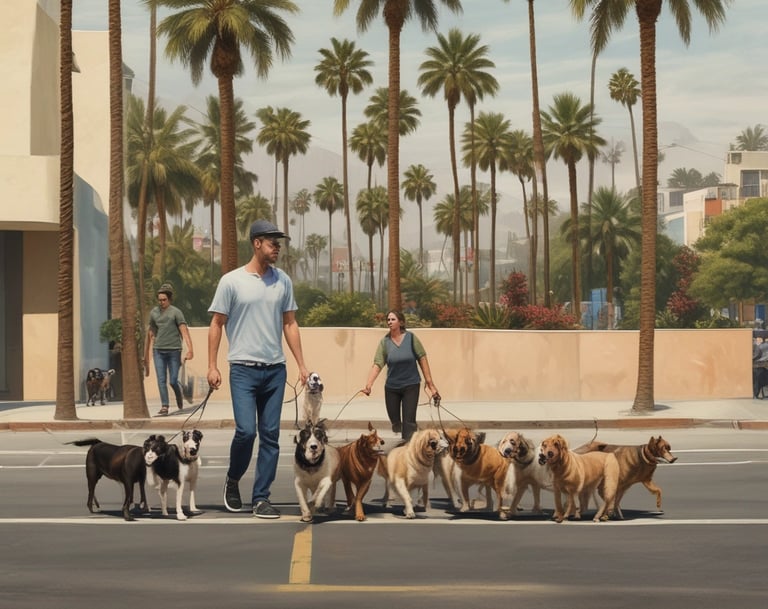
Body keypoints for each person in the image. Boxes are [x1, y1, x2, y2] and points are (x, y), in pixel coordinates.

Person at [207, 219, 309, 519]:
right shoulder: (231, 281)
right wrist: (211, 365)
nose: (277, 247)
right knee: (246, 432)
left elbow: (290, 323)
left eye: (279, 242)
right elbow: (216, 324)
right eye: (272, 242)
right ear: (256, 243)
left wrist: (302, 365)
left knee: (270, 436)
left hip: (275, 371)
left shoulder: (283, 281)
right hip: (242, 369)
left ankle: (261, 497)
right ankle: (234, 478)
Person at [362, 310, 440, 441]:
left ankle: (408, 446)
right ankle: (401, 427)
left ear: (401, 322)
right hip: (392, 387)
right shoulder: (385, 342)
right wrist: (369, 385)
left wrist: (430, 384)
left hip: (411, 385)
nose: (390, 322)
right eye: (388, 320)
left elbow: (422, 358)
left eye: (393, 319)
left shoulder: (411, 338)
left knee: (409, 421)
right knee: (396, 422)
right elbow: (378, 364)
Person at [144, 283, 194, 416]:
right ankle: (165, 406)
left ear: (169, 299)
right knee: (161, 379)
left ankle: (178, 394)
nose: (161, 302)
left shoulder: (176, 312)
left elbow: (184, 331)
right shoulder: (154, 312)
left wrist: (190, 349)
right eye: (159, 300)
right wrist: (148, 353)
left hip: (174, 351)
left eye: (164, 300)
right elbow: (151, 331)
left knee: (172, 380)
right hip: (158, 350)